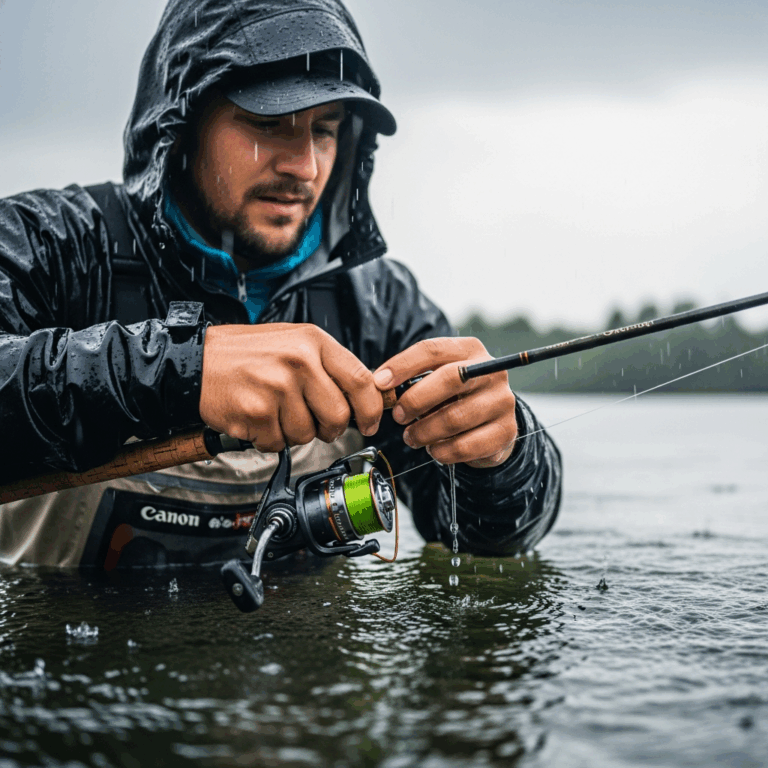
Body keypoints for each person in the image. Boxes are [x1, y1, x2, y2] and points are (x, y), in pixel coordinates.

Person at [0, 0, 562, 569]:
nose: (305, 167)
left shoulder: (377, 302)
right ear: (183, 125)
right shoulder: (49, 245)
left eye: (325, 130)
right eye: (268, 125)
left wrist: (501, 454)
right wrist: (186, 369)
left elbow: (491, 538)